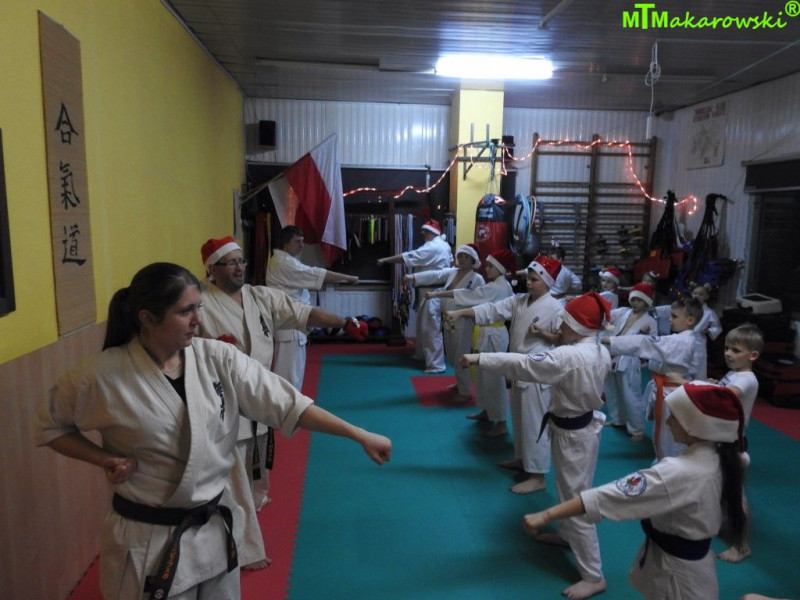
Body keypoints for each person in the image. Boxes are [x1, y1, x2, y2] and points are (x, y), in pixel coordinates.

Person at [34, 262, 391, 600]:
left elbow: (286, 402)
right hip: (148, 540)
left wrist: (358, 434)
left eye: (199, 308)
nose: (198, 320)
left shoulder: (217, 357)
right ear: (147, 318)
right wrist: (101, 457)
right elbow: (51, 426)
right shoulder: (101, 376)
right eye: (185, 311)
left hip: (214, 531)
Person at [198, 236, 367, 569]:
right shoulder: (201, 303)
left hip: (259, 395)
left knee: (257, 470)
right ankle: (246, 550)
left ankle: (255, 501)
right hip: (223, 404)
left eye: (241, 261)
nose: (239, 268)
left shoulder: (259, 296)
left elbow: (302, 312)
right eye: (230, 263)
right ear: (211, 270)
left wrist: (344, 322)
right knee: (235, 481)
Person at [522, 382, 748, 600]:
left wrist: (546, 515)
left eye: (675, 417)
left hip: (677, 576)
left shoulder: (679, 472)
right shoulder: (725, 456)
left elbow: (610, 496)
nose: (668, 421)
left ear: (695, 426)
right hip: (696, 567)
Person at [461, 292, 613, 600]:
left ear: (578, 328)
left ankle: (594, 576)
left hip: (575, 435)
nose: (559, 327)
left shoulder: (569, 356)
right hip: (581, 429)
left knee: (577, 499)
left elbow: (524, 365)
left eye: (565, 323)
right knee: (570, 490)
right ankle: (568, 535)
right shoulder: (598, 349)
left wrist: (480, 358)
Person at [446, 254, 563, 494]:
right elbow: (492, 309)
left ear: (547, 283)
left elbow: (563, 339)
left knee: (534, 423)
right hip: (519, 367)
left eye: (535, 280)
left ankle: (538, 475)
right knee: (519, 418)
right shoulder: (519, 300)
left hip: (538, 371)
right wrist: (461, 313)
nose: (529, 283)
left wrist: (544, 334)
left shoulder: (555, 307)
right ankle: (522, 459)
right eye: (528, 278)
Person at [603, 298, 703, 460]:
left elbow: (647, 343)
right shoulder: (690, 339)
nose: (669, 319)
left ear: (690, 320)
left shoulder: (682, 340)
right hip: (670, 391)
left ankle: (667, 463)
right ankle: (665, 460)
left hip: (673, 394)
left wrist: (611, 341)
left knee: (669, 434)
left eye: (674, 316)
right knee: (665, 431)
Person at [265, 225, 359, 391]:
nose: (302, 245)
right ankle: (287, 406)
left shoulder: (284, 260)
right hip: (289, 328)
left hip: (292, 325)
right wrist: (348, 278)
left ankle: (291, 405)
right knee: (288, 379)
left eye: (302, 241)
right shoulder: (283, 262)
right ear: (285, 243)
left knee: (293, 376)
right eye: (297, 241)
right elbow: (315, 273)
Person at [435, 249, 515, 435]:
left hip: (495, 334)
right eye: (487, 265)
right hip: (486, 332)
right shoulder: (498, 285)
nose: (487, 269)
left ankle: (501, 422)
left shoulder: (497, 287)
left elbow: (470, 296)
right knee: (482, 374)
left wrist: (448, 302)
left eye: (491, 266)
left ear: (501, 269)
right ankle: (487, 411)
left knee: (494, 378)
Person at [710, 324, 762, 563]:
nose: (729, 354)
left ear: (753, 355)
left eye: (736, 350)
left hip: (732, 443)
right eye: (727, 348)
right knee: (719, 487)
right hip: (722, 439)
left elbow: (723, 397)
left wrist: (690, 385)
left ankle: (741, 546)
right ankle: (721, 524)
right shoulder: (734, 374)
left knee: (736, 495)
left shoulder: (747, 379)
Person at [377, 219, 453, 371]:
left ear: (433, 233)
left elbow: (408, 256)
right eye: (423, 231)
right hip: (430, 290)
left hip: (432, 291)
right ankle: (422, 355)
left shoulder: (433, 247)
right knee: (424, 326)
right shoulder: (444, 245)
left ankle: (436, 365)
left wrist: (386, 260)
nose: (423, 233)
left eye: (426, 231)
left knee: (431, 328)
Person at [411, 243, 484, 395]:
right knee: (451, 354)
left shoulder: (477, 279)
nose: (462, 259)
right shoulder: (452, 272)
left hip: (463, 320)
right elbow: (434, 275)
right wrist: (413, 277)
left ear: (473, 259)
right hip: (448, 319)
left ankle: (465, 392)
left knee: (461, 354)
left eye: (466, 257)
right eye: (460, 256)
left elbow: (479, 300)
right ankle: (459, 382)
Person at [602, 282, 657, 442]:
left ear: (646, 302)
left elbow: (652, 343)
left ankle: (637, 429)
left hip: (630, 360)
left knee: (630, 394)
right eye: (633, 299)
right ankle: (618, 420)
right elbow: (606, 315)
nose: (635, 303)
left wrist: (640, 333)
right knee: (612, 391)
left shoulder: (650, 321)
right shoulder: (623, 312)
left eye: (639, 300)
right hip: (611, 354)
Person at [692, 283, 723, 380]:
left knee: (698, 368)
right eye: (695, 293)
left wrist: (708, 331)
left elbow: (717, 327)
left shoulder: (709, 312)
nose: (697, 296)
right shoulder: (686, 309)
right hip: (685, 339)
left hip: (699, 341)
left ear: (707, 296)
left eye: (701, 294)